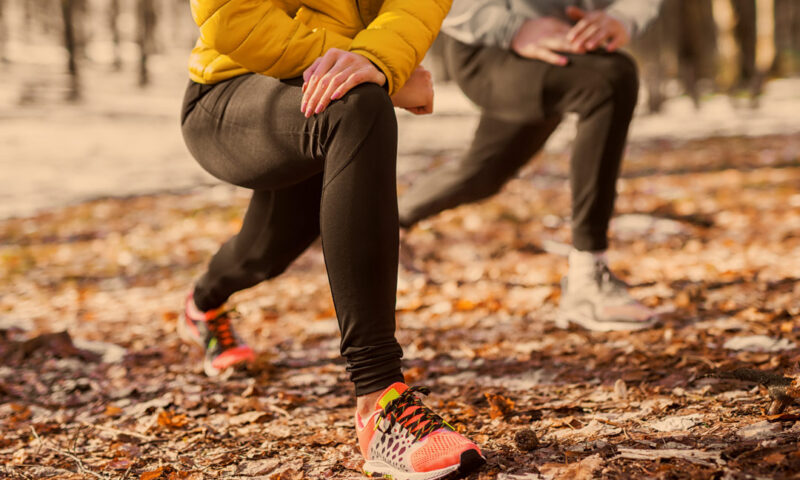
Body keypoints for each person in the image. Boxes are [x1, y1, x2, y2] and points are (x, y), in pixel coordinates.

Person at [177, 1, 485, 477]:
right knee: (360, 104)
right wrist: (375, 72)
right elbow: (231, 16)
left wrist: (379, 60)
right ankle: (380, 401)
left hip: (326, 85)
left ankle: (203, 303)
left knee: (266, 251)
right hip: (228, 91)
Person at [399, 0, 663, 332]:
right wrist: (514, 29)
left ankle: (390, 223)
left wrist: (623, 17)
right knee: (611, 79)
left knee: (484, 174)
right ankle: (587, 278)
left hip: (562, 48)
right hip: (489, 47)